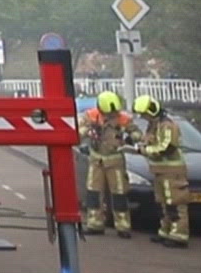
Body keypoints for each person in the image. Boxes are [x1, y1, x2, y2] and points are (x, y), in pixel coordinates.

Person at [136, 95, 190, 247]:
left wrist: (144, 150)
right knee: (163, 203)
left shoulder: (167, 125)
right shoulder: (154, 125)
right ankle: (165, 231)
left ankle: (179, 235)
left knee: (175, 202)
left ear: (151, 111)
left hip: (172, 171)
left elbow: (166, 147)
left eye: (144, 114)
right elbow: (147, 141)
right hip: (160, 171)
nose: (142, 117)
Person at [80, 90, 136, 237]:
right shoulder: (91, 116)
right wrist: (88, 129)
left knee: (119, 193)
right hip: (96, 160)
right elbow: (78, 132)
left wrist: (133, 138)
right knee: (93, 192)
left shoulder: (122, 118)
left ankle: (123, 226)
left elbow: (136, 132)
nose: (111, 115)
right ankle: (95, 224)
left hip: (115, 160)